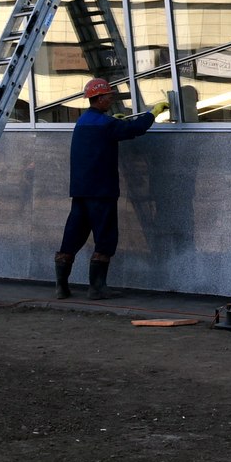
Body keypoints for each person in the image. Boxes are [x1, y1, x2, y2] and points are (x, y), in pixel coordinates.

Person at [58, 77, 154, 299]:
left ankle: (61, 287)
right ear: (99, 98)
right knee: (105, 238)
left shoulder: (82, 122)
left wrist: (112, 121)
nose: (111, 100)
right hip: (102, 191)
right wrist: (152, 114)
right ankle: (97, 288)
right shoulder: (106, 124)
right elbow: (135, 129)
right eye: (109, 97)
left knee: (73, 235)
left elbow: (106, 133)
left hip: (81, 191)